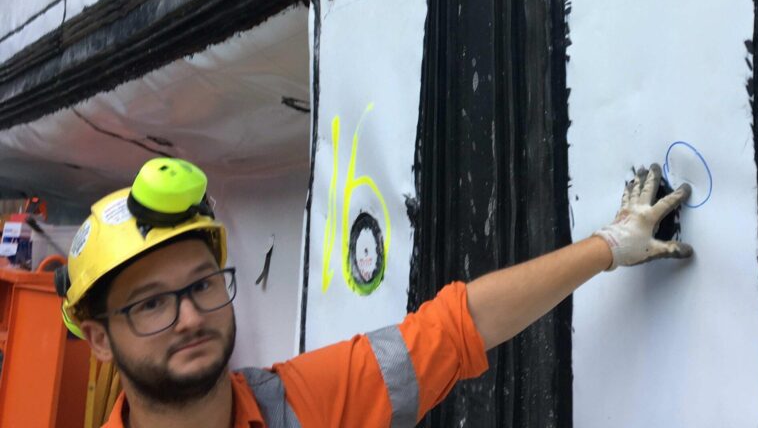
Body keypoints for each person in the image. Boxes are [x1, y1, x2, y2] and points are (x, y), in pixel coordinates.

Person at [57, 157, 693, 427]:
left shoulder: (305, 404)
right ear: (99, 340)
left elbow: (456, 326)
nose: (189, 316)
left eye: (200, 284)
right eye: (150, 304)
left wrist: (609, 246)